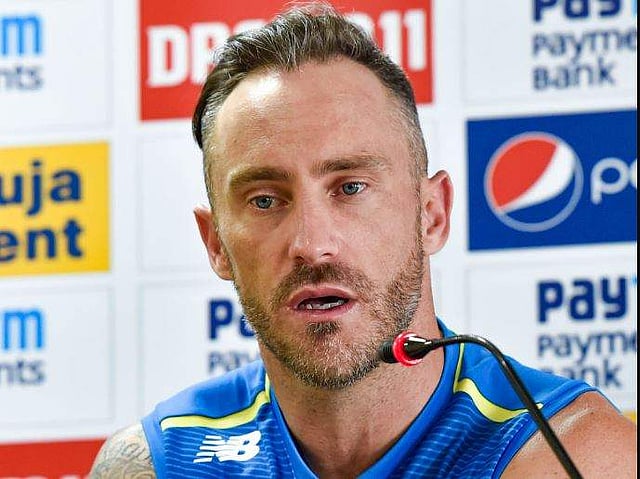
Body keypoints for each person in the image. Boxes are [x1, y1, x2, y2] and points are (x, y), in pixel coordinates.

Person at [90, 4, 636, 478]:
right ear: (215, 244)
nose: (312, 244)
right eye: (265, 200)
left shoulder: (564, 451)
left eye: (350, 188)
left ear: (432, 215)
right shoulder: (159, 463)